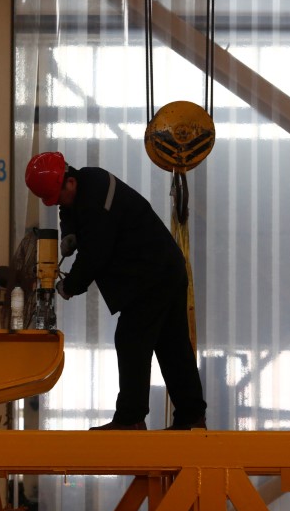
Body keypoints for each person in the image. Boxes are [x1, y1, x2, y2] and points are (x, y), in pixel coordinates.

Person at [25, 151, 207, 430]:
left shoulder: (97, 197)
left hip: (153, 273)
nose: (59, 204)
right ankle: (192, 418)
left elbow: (96, 254)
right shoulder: (83, 183)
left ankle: (131, 418)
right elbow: (68, 210)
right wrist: (70, 231)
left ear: (69, 183)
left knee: (131, 338)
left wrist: (69, 286)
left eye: (57, 197)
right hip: (161, 270)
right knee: (172, 345)